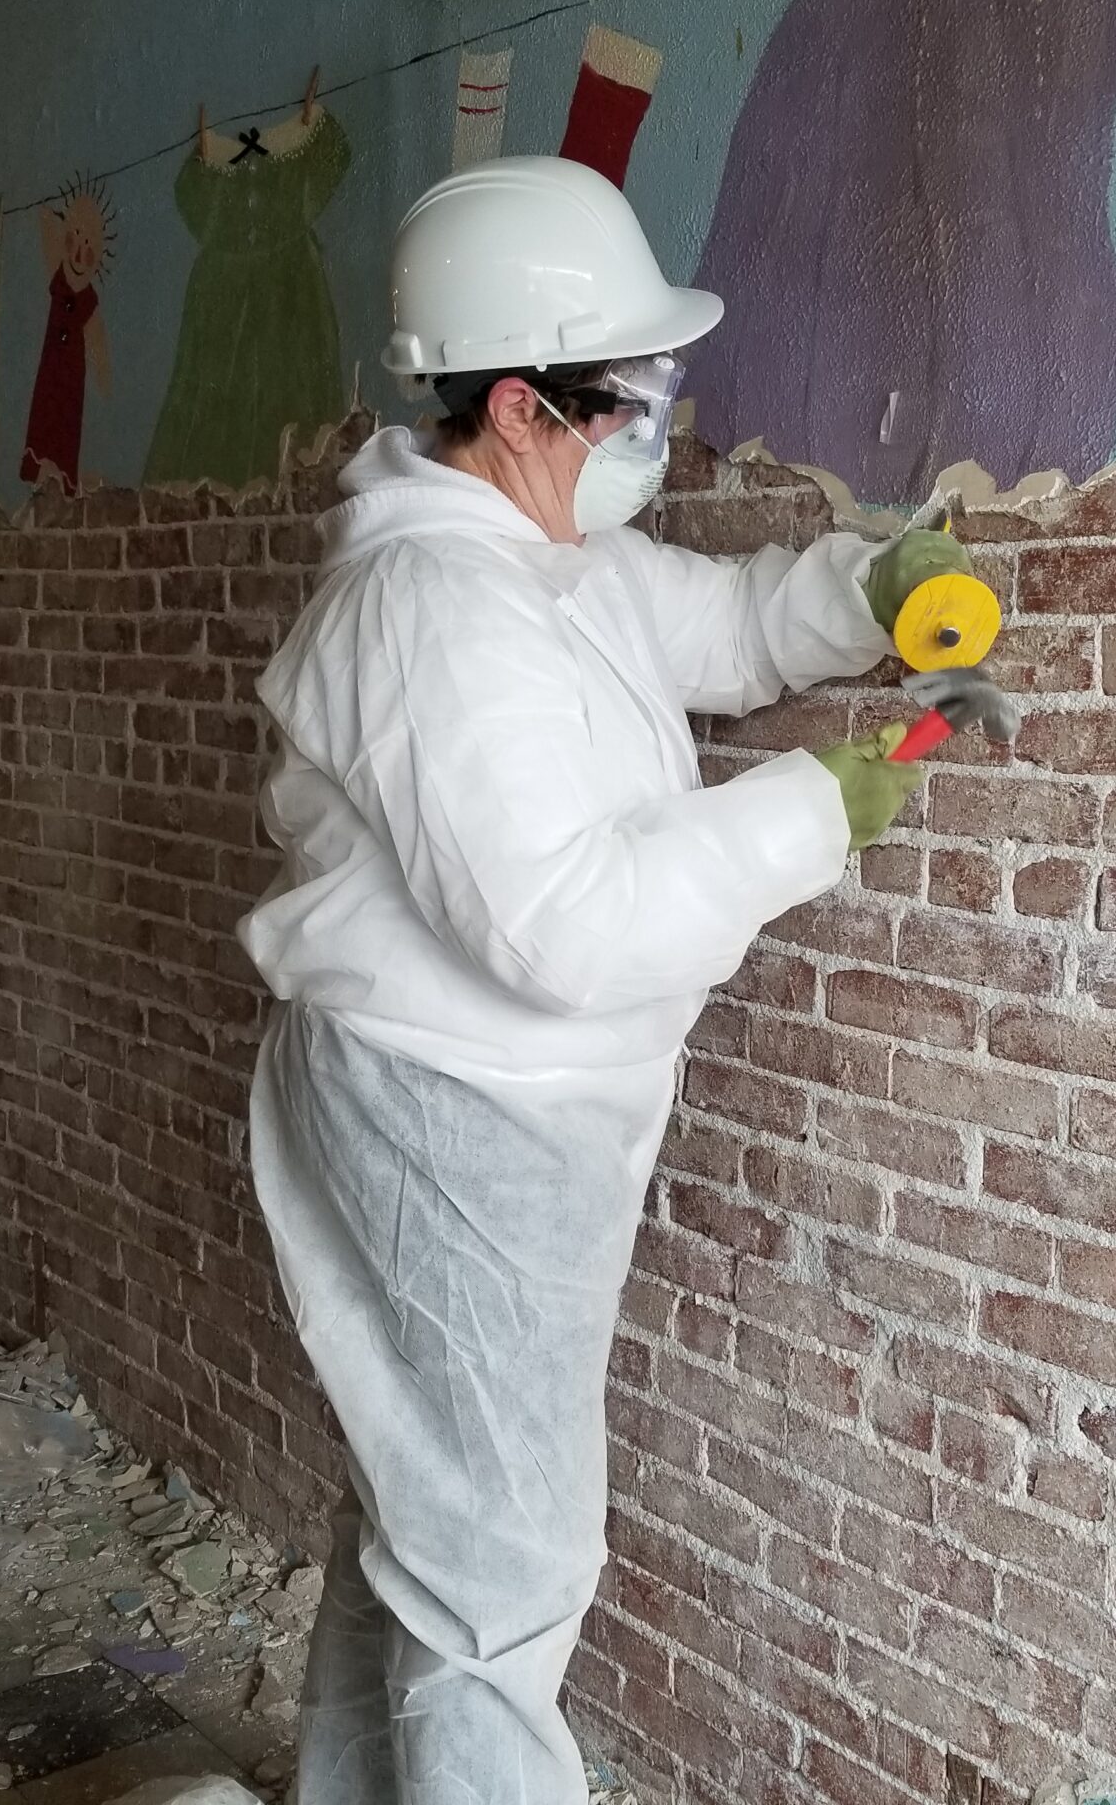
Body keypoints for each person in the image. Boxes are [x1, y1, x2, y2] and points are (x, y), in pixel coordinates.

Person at [236, 155, 969, 1803]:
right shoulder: (428, 608)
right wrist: (809, 809)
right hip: (450, 1110)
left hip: (504, 1116)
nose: (665, 419)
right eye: (635, 393)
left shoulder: (545, 558)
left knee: (436, 1514)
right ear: (518, 404)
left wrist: (879, 587)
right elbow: (564, 931)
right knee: (505, 1561)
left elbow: (720, 626)